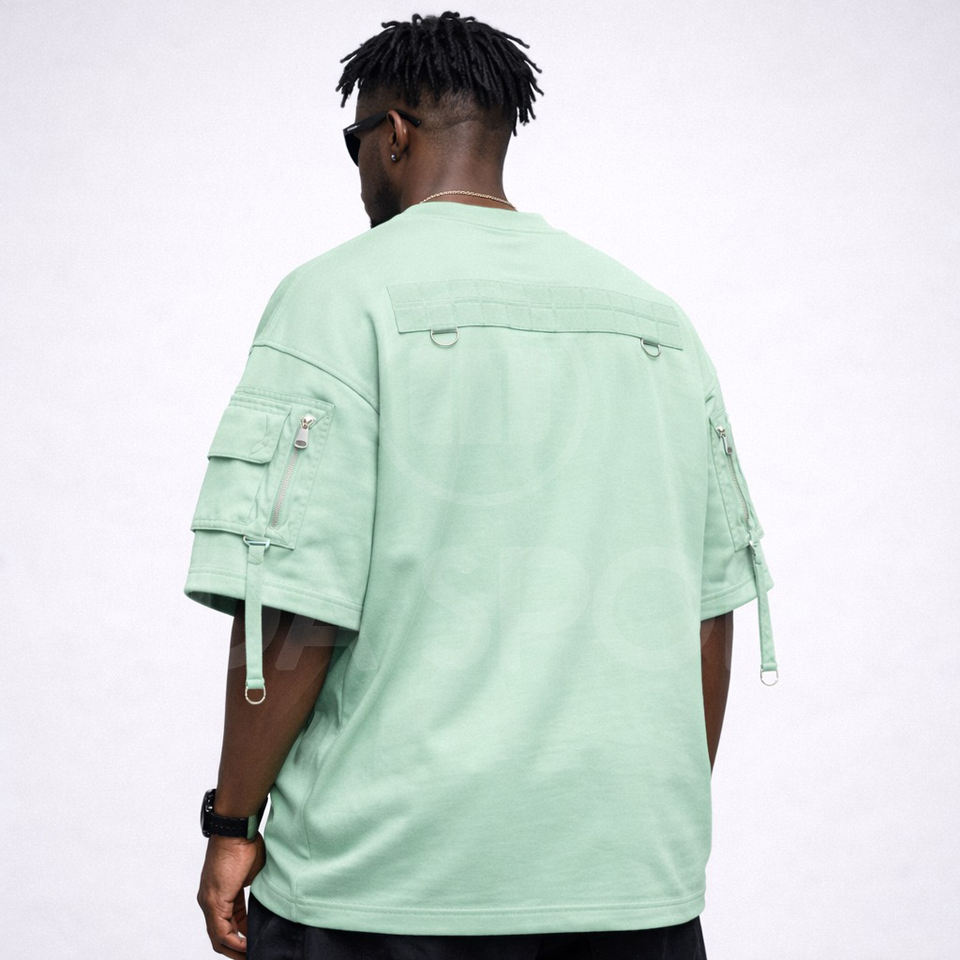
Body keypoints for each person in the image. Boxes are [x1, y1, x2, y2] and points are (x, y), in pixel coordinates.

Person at [187, 11, 778, 960]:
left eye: (355, 142)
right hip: (628, 890)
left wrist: (232, 821)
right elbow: (708, 611)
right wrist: (634, 835)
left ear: (393, 135)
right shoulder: (657, 322)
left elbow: (291, 608)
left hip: (384, 891)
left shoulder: (337, 299)